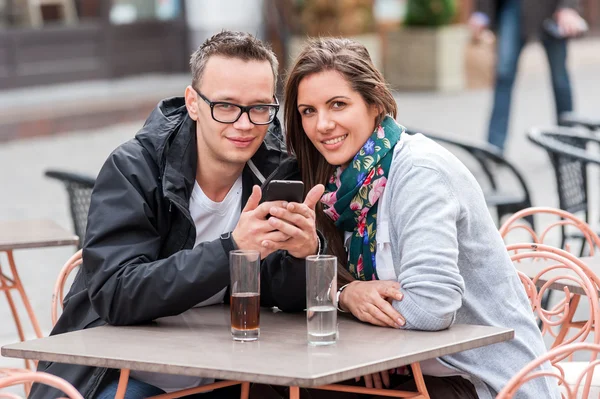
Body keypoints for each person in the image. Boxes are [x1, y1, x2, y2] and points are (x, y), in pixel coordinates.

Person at [30, 30, 324, 399]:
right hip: (119, 374)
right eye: (227, 106)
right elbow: (117, 294)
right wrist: (232, 248)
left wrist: (303, 254)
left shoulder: (277, 171)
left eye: (260, 108)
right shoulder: (134, 168)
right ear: (193, 102)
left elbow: (283, 297)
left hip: (230, 372)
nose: (246, 124)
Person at [281, 37, 561, 399]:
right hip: (409, 369)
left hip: (482, 379)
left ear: (374, 102)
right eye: (308, 111)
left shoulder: (419, 173)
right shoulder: (340, 188)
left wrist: (343, 295)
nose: (322, 125)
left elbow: (431, 308)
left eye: (338, 105)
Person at [469, 0, 586, 152]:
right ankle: (494, 146)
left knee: (560, 79)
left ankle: (568, 143)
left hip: (551, 9)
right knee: (503, 75)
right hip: (513, 7)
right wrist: (482, 12)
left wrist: (567, 7)